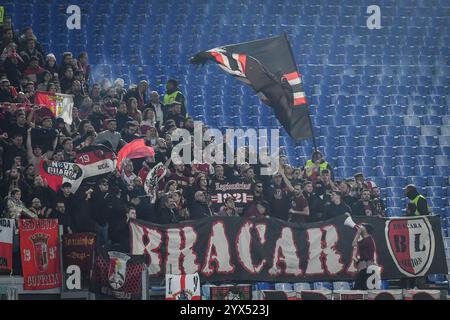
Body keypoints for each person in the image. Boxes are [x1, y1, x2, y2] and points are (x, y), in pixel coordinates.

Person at [352, 223, 377, 290]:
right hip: (368, 268)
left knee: (358, 289)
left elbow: (354, 243)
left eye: (362, 226)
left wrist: (358, 233)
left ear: (365, 229)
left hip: (367, 268)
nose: (360, 227)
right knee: (367, 290)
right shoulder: (368, 240)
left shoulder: (367, 240)